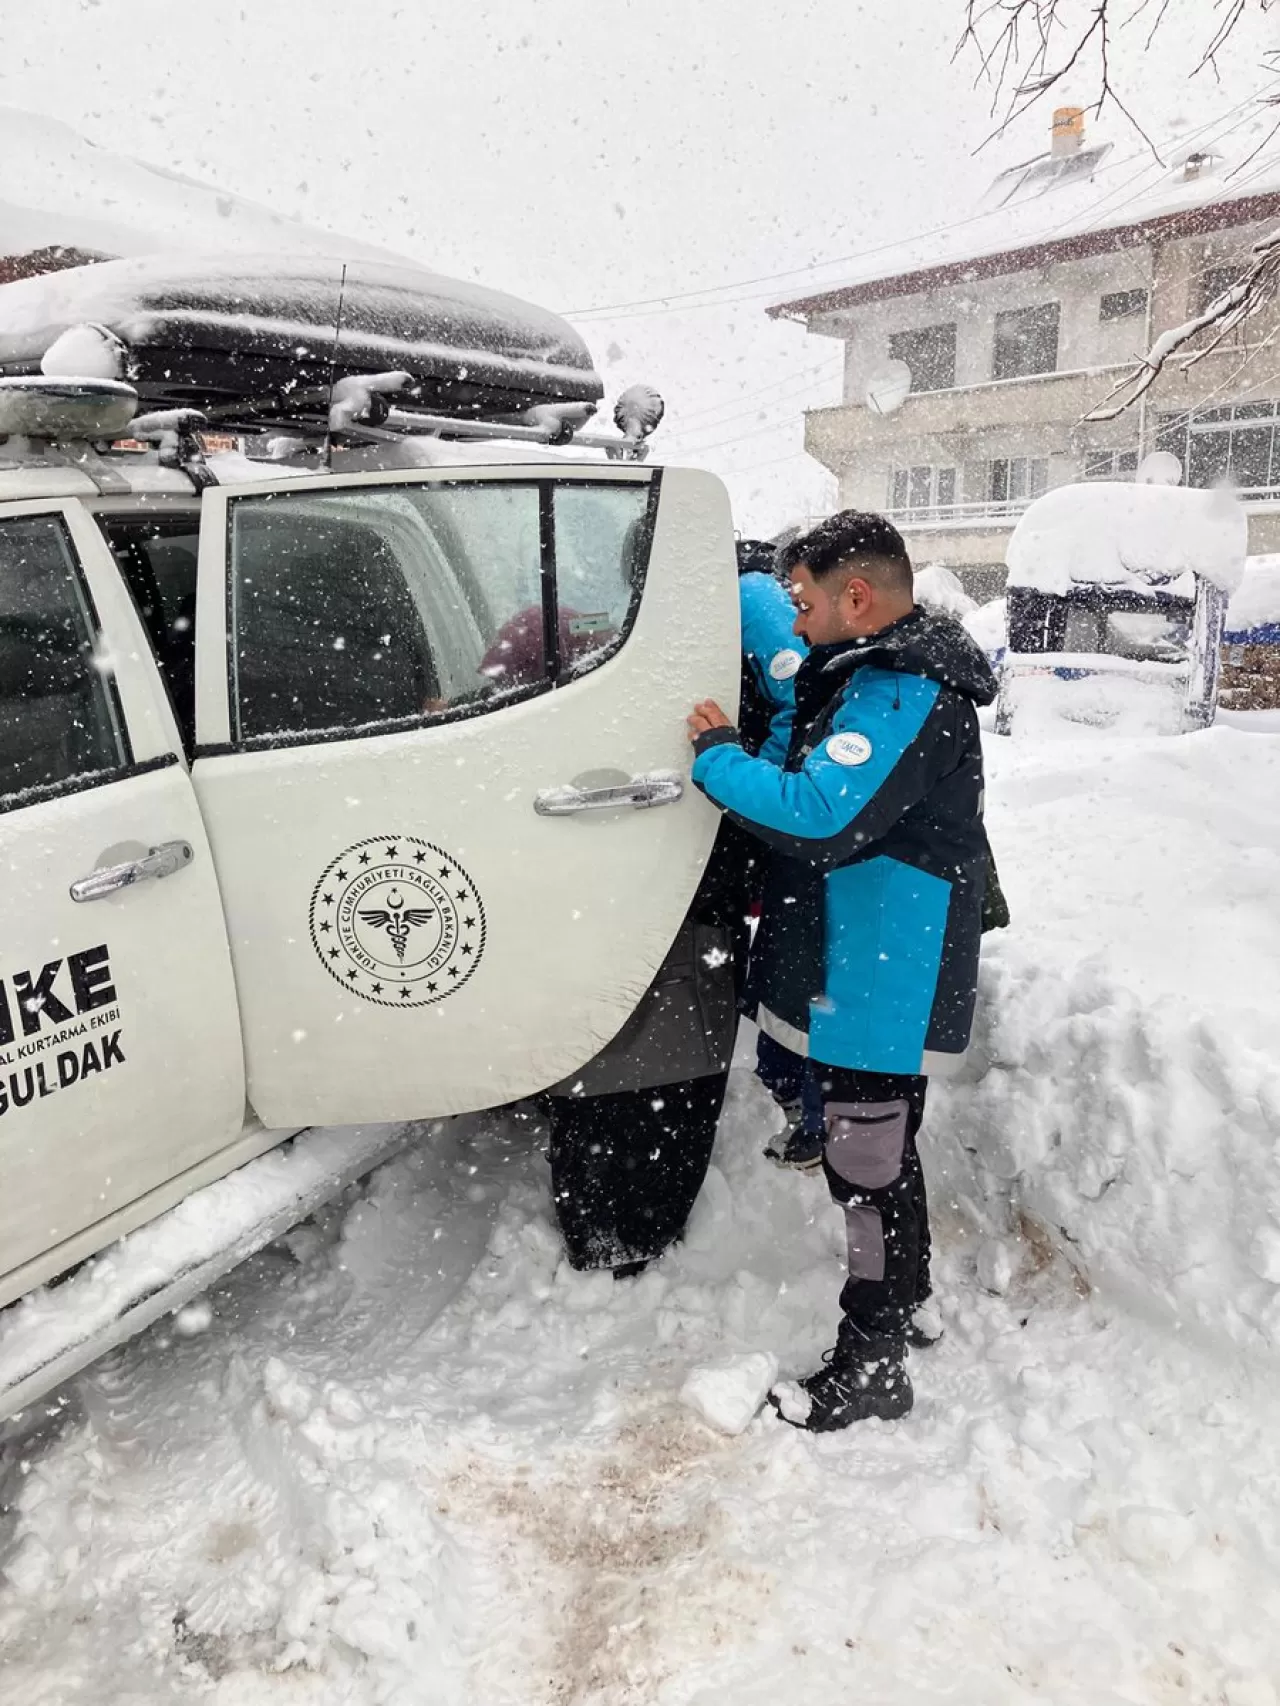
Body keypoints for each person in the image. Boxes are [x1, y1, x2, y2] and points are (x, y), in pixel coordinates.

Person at [686, 510, 998, 1432]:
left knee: (866, 1168)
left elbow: (821, 812)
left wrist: (717, 759)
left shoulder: (902, 692)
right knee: (883, 1155)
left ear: (855, 597)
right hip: (874, 957)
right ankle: (910, 1301)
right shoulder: (874, 674)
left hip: (884, 969)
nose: (793, 621)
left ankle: (872, 1365)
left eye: (803, 602)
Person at [733, 540, 824, 1170]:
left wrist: (750, 789)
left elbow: (797, 705)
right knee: (785, 959)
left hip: (793, 813)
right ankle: (795, 1096)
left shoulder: (750, 598)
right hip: (793, 813)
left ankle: (812, 1115)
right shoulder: (749, 597)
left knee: (800, 967)